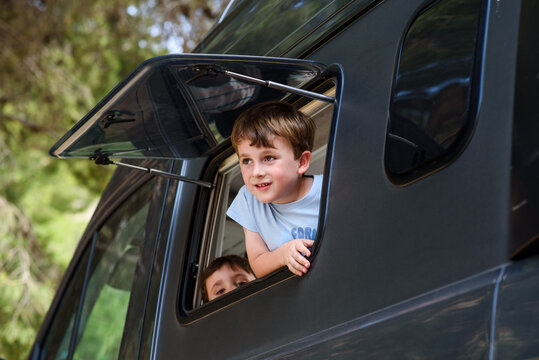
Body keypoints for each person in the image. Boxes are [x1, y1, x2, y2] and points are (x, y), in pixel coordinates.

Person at [226, 101, 321, 278]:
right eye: (247, 161)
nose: (256, 172)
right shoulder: (248, 200)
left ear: (301, 162)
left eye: (269, 158)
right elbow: (258, 264)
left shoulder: (329, 190)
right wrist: (284, 254)